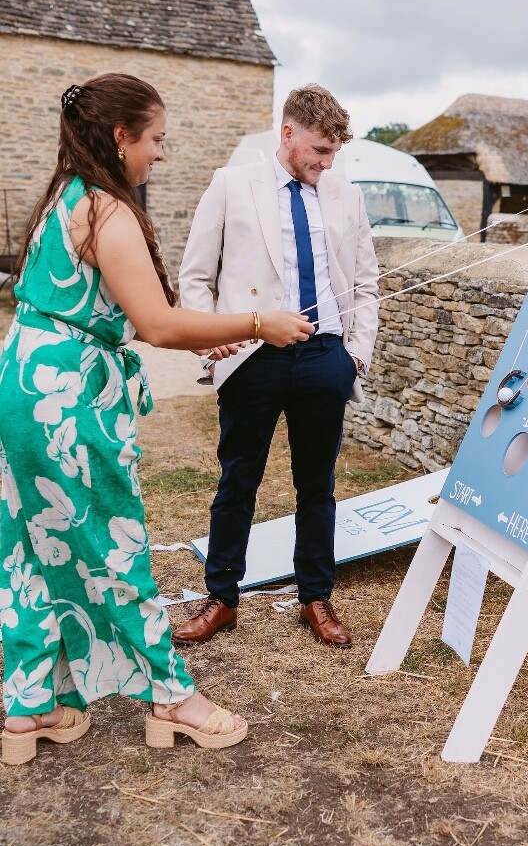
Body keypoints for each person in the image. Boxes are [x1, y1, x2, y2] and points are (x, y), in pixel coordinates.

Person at [0, 74, 313, 765]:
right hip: (67, 403)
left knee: (28, 548)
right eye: (156, 140)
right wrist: (260, 321)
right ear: (121, 137)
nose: (161, 155)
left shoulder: (65, 198)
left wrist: (209, 332)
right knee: (115, 545)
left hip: (23, 381)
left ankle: (29, 711)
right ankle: (171, 699)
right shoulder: (109, 211)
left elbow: (132, 316)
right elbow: (157, 324)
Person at [173, 84, 379, 650]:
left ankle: (316, 596)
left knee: (318, 484)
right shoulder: (230, 184)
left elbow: (366, 283)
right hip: (250, 356)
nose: (326, 163)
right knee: (239, 479)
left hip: (324, 357)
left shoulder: (347, 197)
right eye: (319, 150)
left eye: (334, 154)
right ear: (287, 134)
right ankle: (221, 598)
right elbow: (195, 276)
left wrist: (354, 355)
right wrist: (206, 339)